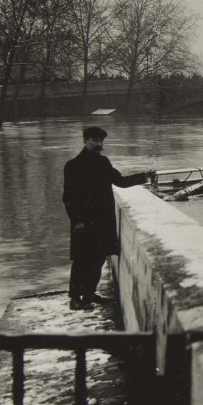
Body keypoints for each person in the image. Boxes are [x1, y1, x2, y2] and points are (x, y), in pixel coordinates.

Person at [63, 126, 154, 311]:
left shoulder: (103, 162)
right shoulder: (72, 166)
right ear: (85, 141)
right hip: (83, 223)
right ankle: (74, 298)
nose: (98, 144)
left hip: (102, 221)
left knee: (99, 258)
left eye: (100, 141)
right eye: (94, 140)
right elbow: (68, 197)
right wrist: (77, 220)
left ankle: (88, 295)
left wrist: (145, 176)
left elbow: (121, 181)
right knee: (81, 260)